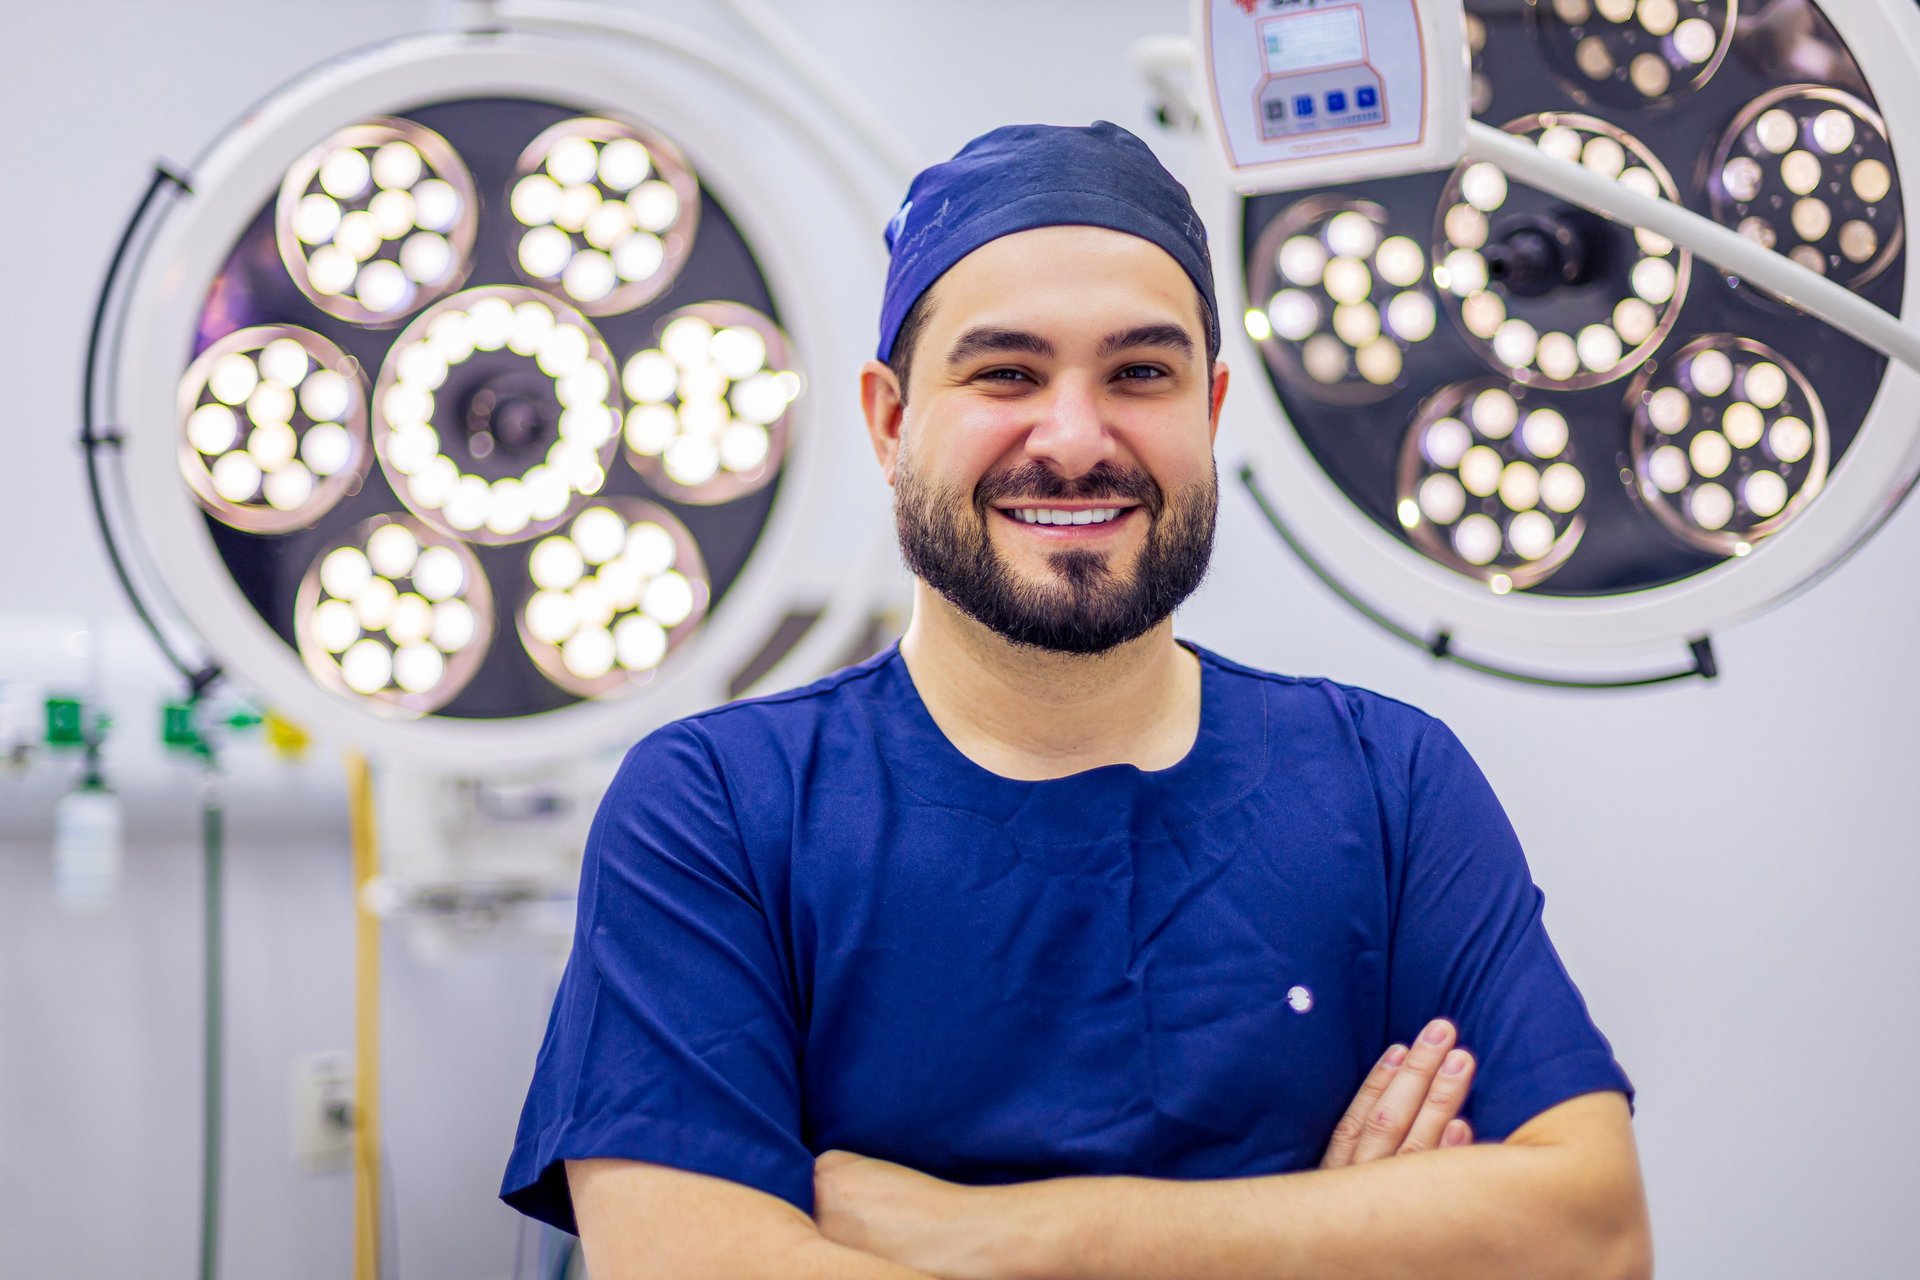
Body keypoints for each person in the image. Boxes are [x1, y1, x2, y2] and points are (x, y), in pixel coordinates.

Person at [501, 121, 1650, 1280]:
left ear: (1208, 409)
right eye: (1005, 371)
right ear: (892, 419)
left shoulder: (1383, 779)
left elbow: (1593, 1233)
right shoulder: (720, 808)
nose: (1073, 437)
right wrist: (1334, 1240)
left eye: (1139, 373)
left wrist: (1016, 1235)